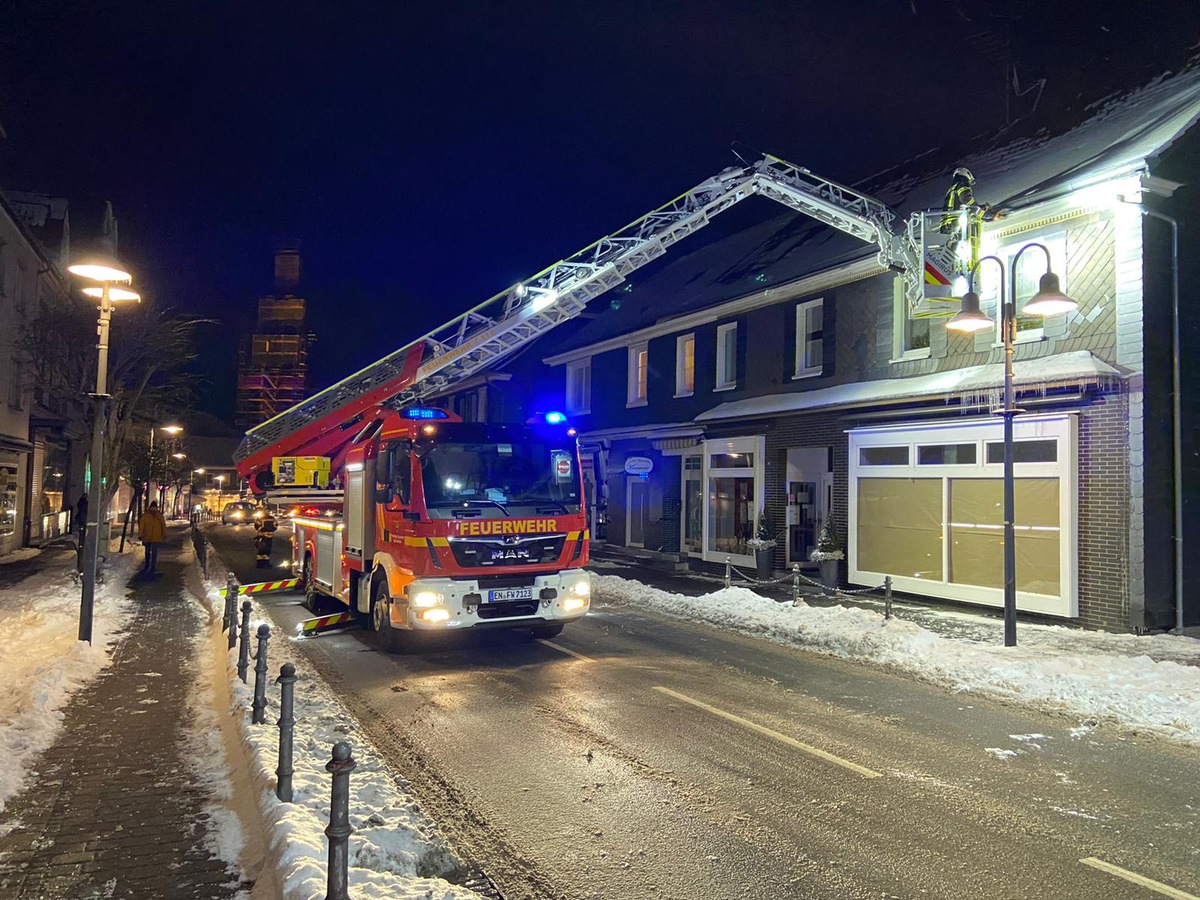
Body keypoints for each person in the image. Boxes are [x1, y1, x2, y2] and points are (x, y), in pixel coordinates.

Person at [138, 501, 167, 575]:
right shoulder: (159, 515)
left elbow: (142, 526)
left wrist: (140, 535)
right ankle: (153, 566)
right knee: (154, 552)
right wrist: (164, 534)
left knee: (147, 552)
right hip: (156, 536)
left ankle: (147, 565)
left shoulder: (145, 515)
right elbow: (163, 525)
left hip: (147, 536)